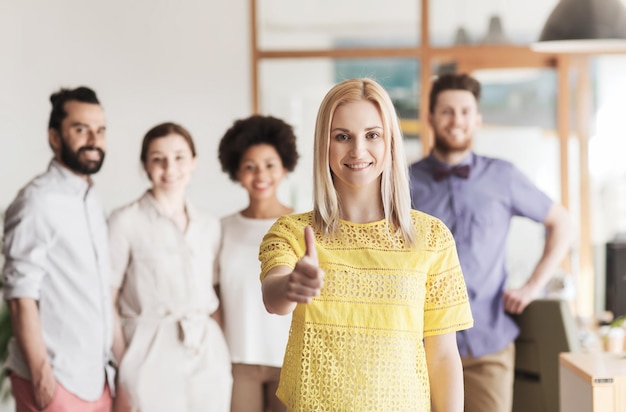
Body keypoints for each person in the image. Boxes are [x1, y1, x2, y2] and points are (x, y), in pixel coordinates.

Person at [259, 78, 474, 411]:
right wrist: (292, 286)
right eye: (342, 136)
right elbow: (275, 298)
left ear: (390, 143)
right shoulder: (292, 231)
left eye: (372, 135)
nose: (358, 150)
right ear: (324, 145)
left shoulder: (431, 238)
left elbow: (444, 356)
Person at [408, 72, 574, 412]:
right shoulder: (402, 182)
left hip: (489, 345)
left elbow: (563, 224)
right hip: (419, 346)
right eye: (447, 111)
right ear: (430, 118)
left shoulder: (504, 176)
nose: (457, 121)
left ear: (478, 119)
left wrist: (532, 286)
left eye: (465, 112)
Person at [2, 86, 114, 411]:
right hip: (55, 380)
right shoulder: (36, 201)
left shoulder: (91, 198)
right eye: (81, 129)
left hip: (96, 379)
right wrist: (41, 376)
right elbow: (20, 295)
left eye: (100, 130)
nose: (94, 139)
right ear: (54, 137)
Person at [108, 122, 232, 412]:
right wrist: (125, 363)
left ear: (193, 162)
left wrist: (219, 339)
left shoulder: (209, 224)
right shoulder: (124, 221)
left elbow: (214, 294)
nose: (170, 167)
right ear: (145, 166)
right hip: (148, 349)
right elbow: (107, 299)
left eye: (179, 157)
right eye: (158, 159)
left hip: (205, 349)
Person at [217, 115, 299, 412]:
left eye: (269, 164)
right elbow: (214, 298)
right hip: (239, 358)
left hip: (292, 358)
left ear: (285, 167)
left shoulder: (303, 227)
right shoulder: (222, 229)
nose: (260, 174)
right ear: (237, 172)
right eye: (249, 166)